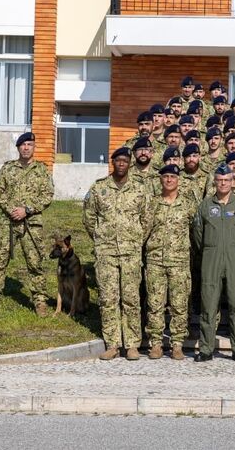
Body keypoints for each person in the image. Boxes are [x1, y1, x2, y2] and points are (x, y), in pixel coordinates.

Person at [83, 146, 152, 360]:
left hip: (131, 251)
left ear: (130, 163)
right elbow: (88, 217)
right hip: (106, 252)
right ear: (112, 163)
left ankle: (131, 345)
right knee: (108, 298)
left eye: (125, 160)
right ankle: (112, 344)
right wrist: (101, 238)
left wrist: (136, 239)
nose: (121, 164)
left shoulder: (140, 188)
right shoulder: (99, 188)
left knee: (131, 298)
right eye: (118, 160)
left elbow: (147, 218)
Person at [0, 132, 54, 317]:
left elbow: (47, 195)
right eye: (23, 145)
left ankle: (40, 302)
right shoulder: (8, 168)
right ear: (18, 148)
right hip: (9, 222)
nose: (26, 148)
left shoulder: (42, 170)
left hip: (32, 223)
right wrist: (12, 209)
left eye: (29, 144)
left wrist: (27, 210)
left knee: (35, 264)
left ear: (34, 147)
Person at [192, 163, 235, 362]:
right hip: (211, 259)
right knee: (209, 305)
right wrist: (210, 251)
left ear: (232, 182)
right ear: (214, 182)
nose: (223, 184)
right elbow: (197, 235)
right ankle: (206, 348)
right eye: (219, 181)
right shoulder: (205, 205)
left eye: (226, 180)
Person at [144, 164, 196, 360]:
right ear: (160, 179)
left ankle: (177, 344)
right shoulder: (153, 204)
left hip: (179, 261)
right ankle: (156, 343)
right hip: (155, 260)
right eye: (165, 176)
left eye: (172, 177)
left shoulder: (188, 205)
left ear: (178, 180)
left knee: (179, 305)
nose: (168, 180)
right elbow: (144, 230)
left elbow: (196, 230)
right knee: (155, 304)